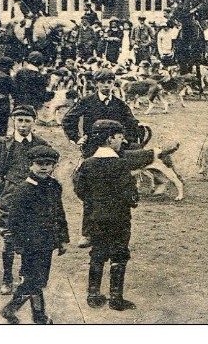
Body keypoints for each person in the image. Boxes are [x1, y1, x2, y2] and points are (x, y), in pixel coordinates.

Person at [62, 68, 142, 247]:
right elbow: (68, 119)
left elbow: (132, 124)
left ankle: (115, 231)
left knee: (116, 190)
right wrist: (77, 138)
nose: (106, 85)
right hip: (93, 152)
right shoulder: (87, 102)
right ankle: (88, 233)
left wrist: (127, 140)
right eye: (102, 82)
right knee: (91, 192)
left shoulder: (120, 105)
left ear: (114, 83)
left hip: (115, 154)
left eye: (110, 82)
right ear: (96, 83)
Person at [74, 120, 142, 311]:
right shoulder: (122, 164)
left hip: (95, 217)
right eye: (120, 137)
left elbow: (80, 191)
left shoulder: (87, 164)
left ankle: (93, 295)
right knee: (119, 255)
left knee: (97, 253)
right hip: (119, 218)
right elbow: (130, 196)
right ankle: (115, 298)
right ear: (110, 138)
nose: (123, 141)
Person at [0, 144, 69, 325]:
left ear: (54, 166)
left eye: (48, 163)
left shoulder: (54, 186)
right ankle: (34, 315)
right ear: (31, 165)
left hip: (47, 243)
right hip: (30, 244)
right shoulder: (24, 190)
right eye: (39, 163)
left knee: (38, 280)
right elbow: (14, 221)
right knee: (33, 280)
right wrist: (19, 244)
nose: (44, 167)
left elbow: (59, 214)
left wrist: (63, 239)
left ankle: (17, 310)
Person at [0, 104, 49, 296]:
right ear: (13, 121)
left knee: (31, 237)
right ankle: (7, 278)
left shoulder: (40, 143)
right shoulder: (3, 143)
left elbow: (48, 166)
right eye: (19, 120)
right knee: (9, 238)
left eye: (27, 121)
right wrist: (2, 187)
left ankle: (25, 274)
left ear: (33, 122)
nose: (23, 125)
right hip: (11, 197)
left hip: (33, 198)